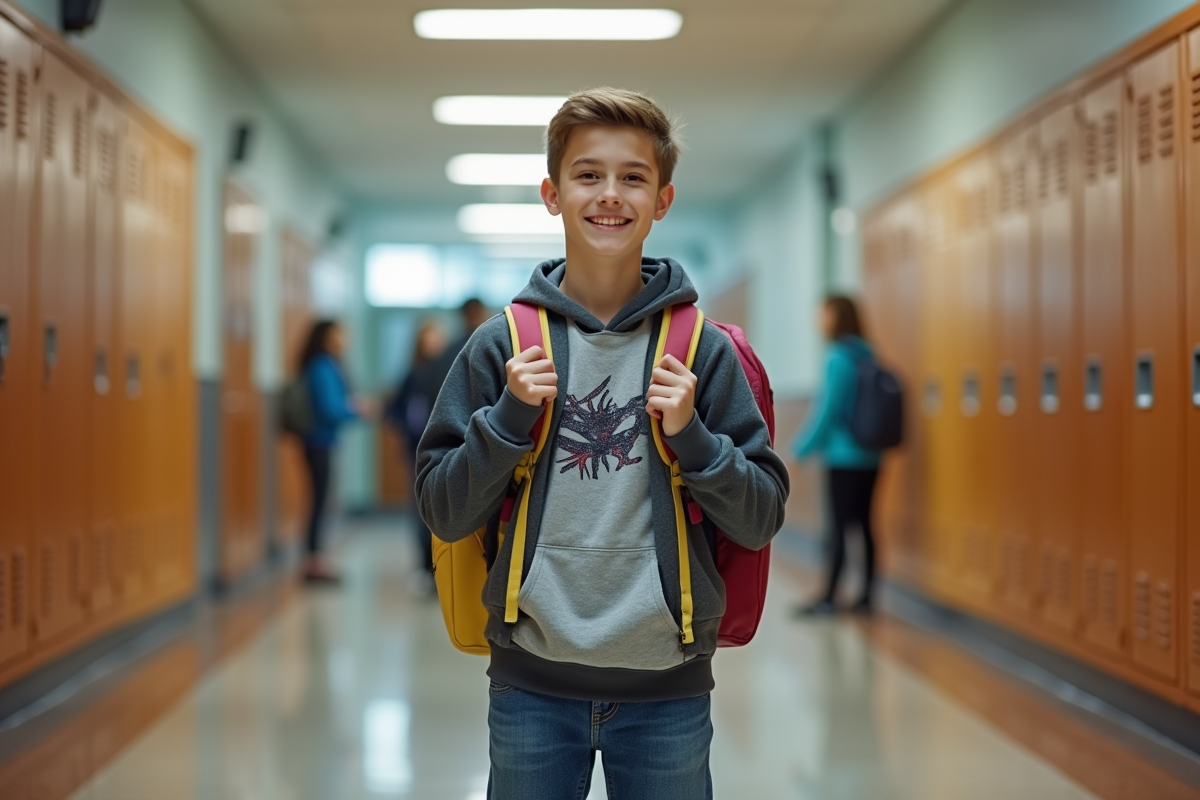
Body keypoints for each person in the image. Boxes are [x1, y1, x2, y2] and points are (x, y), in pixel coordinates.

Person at [415, 88, 789, 799]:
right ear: (553, 194)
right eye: (588, 175)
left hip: (668, 689)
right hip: (530, 685)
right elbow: (443, 510)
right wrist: (506, 421)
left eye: (633, 177)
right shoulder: (502, 347)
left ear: (664, 198)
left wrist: (695, 440)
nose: (609, 195)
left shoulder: (704, 351)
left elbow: (761, 515)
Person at [792, 296, 883, 616]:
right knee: (865, 524)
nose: (819, 319)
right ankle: (867, 596)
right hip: (872, 455)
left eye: (823, 313)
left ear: (836, 317)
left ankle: (830, 596)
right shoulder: (868, 354)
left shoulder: (837, 358)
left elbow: (827, 411)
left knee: (839, 526)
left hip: (844, 456)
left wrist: (799, 450)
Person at [297, 320, 372, 584]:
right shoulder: (322, 367)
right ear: (328, 337)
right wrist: (356, 409)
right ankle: (315, 564)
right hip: (319, 442)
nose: (345, 338)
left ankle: (316, 560)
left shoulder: (325, 365)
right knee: (319, 502)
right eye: (339, 333)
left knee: (320, 501)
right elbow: (329, 410)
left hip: (322, 442)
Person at [385, 319, 448, 594]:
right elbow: (395, 409)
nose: (433, 343)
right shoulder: (412, 375)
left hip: (446, 449)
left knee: (444, 508)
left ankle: (443, 567)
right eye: (428, 338)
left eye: (436, 337)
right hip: (416, 451)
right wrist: (403, 426)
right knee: (420, 511)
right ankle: (425, 566)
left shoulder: (450, 370)